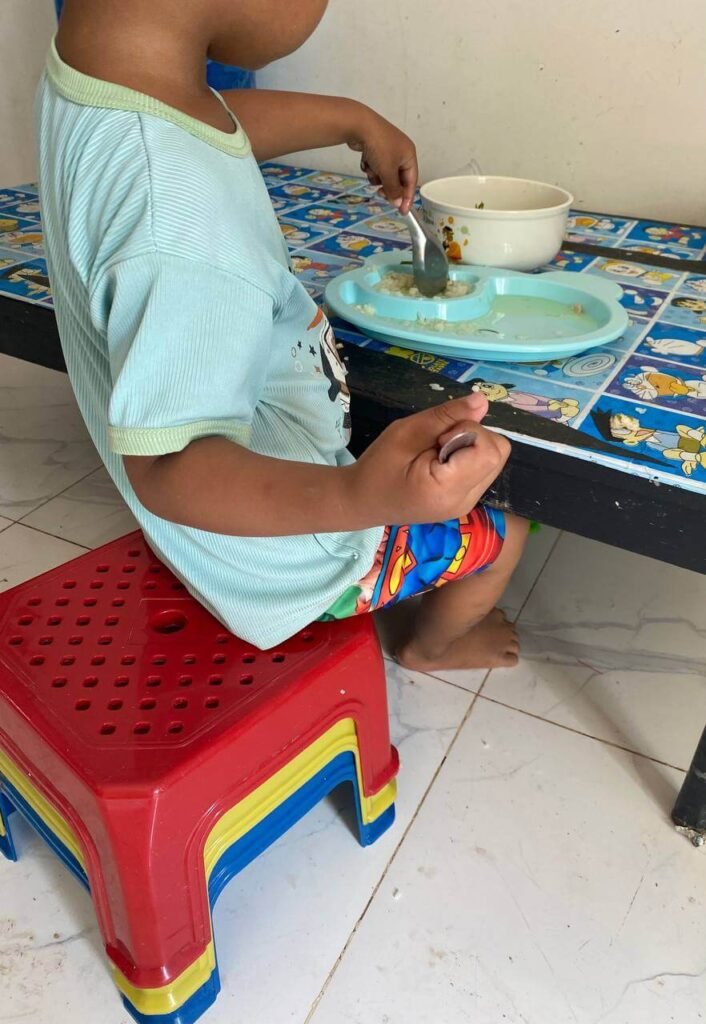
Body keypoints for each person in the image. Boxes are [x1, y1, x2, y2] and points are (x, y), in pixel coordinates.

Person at [36, 0, 528, 671]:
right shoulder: (183, 234)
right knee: (512, 521)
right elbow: (170, 469)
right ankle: (434, 644)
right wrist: (365, 498)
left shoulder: (96, 62)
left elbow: (212, 124)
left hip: (225, 520)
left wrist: (352, 120)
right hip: (297, 556)